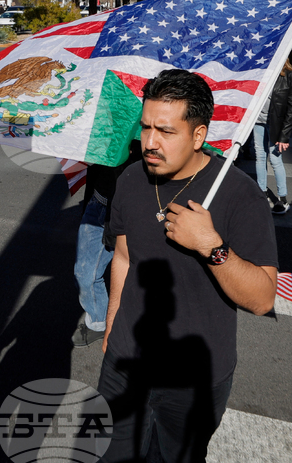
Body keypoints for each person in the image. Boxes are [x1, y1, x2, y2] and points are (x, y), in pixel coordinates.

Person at [98, 69, 279, 462]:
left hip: (194, 379)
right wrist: (113, 325)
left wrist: (211, 246)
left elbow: (263, 299)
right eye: (145, 127)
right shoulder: (130, 180)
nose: (149, 142)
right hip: (126, 364)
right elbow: (125, 257)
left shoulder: (240, 195)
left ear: (199, 135)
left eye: (165, 131)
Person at [72, 143, 142, 347]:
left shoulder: (149, 129)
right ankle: (98, 322)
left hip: (130, 210)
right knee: (85, 274)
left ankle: (114, 323)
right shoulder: (105, 120)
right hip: (99, 202)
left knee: (134, 274)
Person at [252, 58, 292, 214]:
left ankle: (282, 198)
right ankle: (262, 193)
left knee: (275, 159)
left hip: (276, 125)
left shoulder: (291, 77)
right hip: (257, 121)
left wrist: (284, 136)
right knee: (260, 156)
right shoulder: (259, 73)